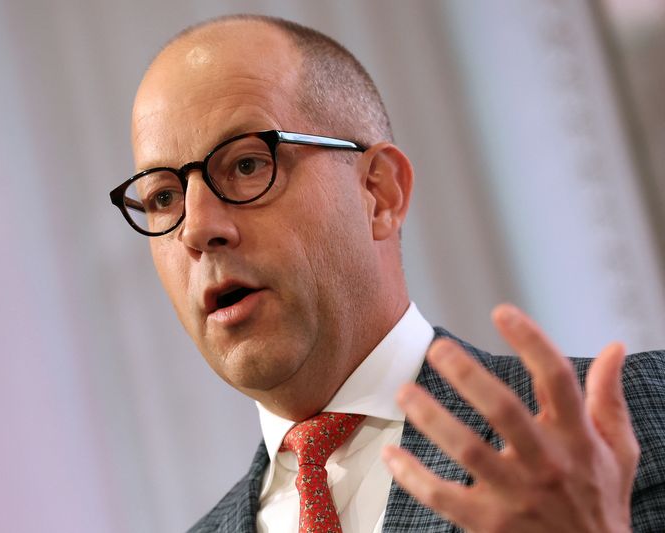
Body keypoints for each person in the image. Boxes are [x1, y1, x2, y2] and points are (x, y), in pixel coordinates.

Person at [109, 14, 665, 532]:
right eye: (163, 197)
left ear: (379, 193)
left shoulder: (626, 424)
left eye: (248, 164)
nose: (197, 229)